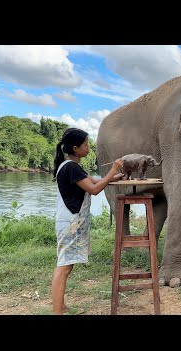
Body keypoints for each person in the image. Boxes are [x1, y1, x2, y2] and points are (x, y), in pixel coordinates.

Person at [51, 127, 124, 315]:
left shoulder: (70, 166)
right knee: (63, 267)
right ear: (75, 148)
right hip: (70, 223)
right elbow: (94, 189)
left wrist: (114, 176)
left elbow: (92, 181)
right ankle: (57, 311)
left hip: (70, 221)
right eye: (85, 145)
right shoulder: (71, 167)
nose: (88, 147)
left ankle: (61, 307)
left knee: (67, 265)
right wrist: (113, 169)